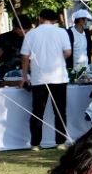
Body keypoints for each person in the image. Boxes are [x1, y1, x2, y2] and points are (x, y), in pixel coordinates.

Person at [21, 8, 73, 150]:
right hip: (59, 77)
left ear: (40, 18)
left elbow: (25, 56)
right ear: (55, 20)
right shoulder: (62, 32)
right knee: (60, 111)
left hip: (39, 77)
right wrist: (58, 56)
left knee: (38, 111)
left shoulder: (31, 34)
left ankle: (35, 143)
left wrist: (24, 76)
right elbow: (68, 52)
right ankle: (60, 142)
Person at [0, 14, 30, 87]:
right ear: (14, 27)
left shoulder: (31, 38)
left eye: (26, 29)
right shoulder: (4, 37)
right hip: (7, 77)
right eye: (21, 29)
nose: (24, 31)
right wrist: (3, 47)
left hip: (27, 77)